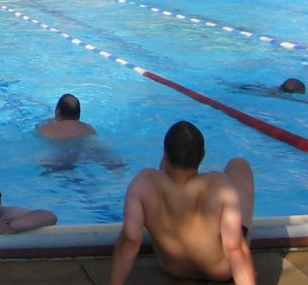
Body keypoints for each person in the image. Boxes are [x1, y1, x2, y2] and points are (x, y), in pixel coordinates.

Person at [108, 121, 255, 285]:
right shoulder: (219, 184)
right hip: (221, 269)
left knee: (163, 172)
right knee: (239, 165)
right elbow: (235, 250)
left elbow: (130, 241)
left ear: (164, 153)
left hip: (174, 267)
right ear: (203, 155)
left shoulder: (144, 182)